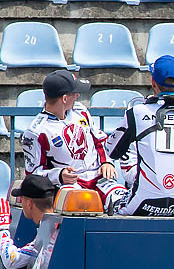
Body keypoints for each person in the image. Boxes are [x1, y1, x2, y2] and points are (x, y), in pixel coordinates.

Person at [102, 54, 174, 216]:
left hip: (141, 204)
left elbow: (111, 151)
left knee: (108, 189)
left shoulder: (137, 112)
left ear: (153, 83)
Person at [18, 70, 110, 211]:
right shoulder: (36, 131)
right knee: (81, 204)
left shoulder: (81, 111)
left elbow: (100, 139)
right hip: (70, 185)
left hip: (99, 177)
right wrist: (59, 175)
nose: (78, 96)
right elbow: (33, 175)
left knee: (120, 200)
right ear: (65, 98)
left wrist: (107, 162)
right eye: (75, 93)